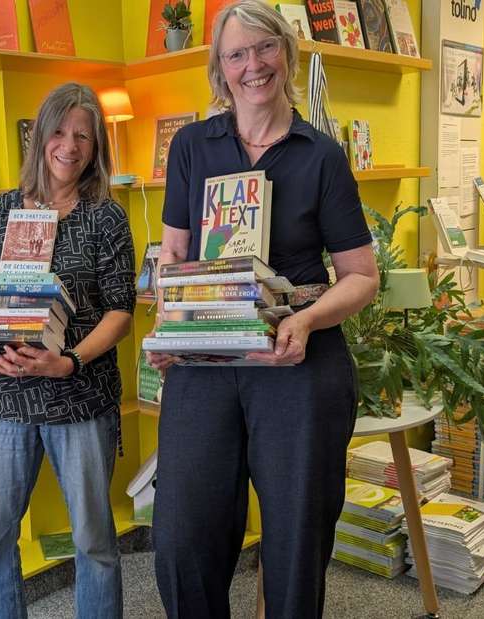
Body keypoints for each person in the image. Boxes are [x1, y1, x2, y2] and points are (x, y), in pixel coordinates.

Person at [148, 2, 380, 617]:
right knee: (180, 538)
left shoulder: (322, 156)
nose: (253, 65)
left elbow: (361, 277)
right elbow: (172, 257)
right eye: (236, 54)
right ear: (220, 70)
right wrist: (168, 325)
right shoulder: (192, 148)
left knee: (297, 538)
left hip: (298, 361)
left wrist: (305, 319)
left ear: (286, 53)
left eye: (264, 48)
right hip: (206, 361)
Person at [0, 82, 135, 619]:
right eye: (59, 131)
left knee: (94, 542)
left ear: (96, 146)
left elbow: (121, 310)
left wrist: (71, 360)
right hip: (6, 400)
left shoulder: (106, 217)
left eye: (83, 135)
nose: (70, 145)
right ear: (38, 136)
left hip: (79, 397)